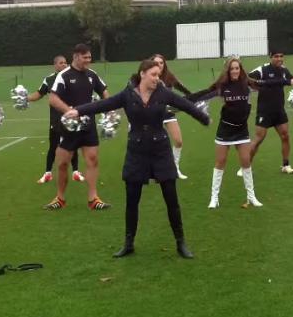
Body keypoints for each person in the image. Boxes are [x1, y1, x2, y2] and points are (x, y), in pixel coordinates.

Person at [64, 59, 210, 258]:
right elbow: (103, 104)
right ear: (142, 74)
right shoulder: (128, 94)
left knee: (171, 199)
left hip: (160, 150)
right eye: (153, 75)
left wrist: (203, 118)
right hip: (137, 151)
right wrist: (78, 110)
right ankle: (128, 243)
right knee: (132, 201)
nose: (157, 79)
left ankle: (181, 243)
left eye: (159, 75)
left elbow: (184, 104)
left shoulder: (163, 93)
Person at [187, 57, 264, 209]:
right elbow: (203, 94)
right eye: (232, 68)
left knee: (246, 162)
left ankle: (251, 196)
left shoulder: (247, 84)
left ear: (240, 70)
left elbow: (266, 86)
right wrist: (182, 101)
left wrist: (287, 81)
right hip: (226, 129)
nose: (235, 71)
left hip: (241, 129)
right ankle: (214, 198)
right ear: (228, 71)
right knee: (220, 162)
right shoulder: (222, 86)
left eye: (237, 68)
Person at [46, 44, 111, 211]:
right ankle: (60, 198)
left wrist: (108, 109)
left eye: (90, 57)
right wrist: (70, 111)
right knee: (62, 164)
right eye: (85, 58)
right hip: (69, 127)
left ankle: (93, 199)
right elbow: (53, 99)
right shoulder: (64, 75)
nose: (88, 61)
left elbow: (104, 92)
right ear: (76, 57)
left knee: (92, 160)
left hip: (88, 126)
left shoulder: (92, 75)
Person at [240, 49, 293, 176]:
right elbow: (247, 78)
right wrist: (258, 84)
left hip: (279, 110)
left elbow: (292, 79)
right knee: (259, 138)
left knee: (285, 136)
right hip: (264, 111)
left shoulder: (283, 70)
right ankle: (245, 167)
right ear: (270, 57)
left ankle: (286, 165)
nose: (279, 59)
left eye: (281, 56)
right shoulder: (262, 69)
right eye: (276, 56)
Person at [27, 55, 84, 184]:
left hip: (71, 118)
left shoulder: (72, 76)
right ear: (55, 65)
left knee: (73, 145)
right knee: (53, 146)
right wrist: (26, 98)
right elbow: (39, 94)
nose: (64, 64)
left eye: (65, 62)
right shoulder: (49, 79)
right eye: (61, 63)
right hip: (56, 120)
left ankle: (75, 172)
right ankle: (48, 173)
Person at [150, 54, 192, 179]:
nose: (159, 65)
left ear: (164, 64)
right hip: (152, 114)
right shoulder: (147, 76)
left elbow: (181, 87)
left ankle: (174, 169)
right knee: (152, 144)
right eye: (156, 62)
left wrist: (193, 96)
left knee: (178, 141)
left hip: (167, 112)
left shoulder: (169, 76)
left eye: (161, 63)